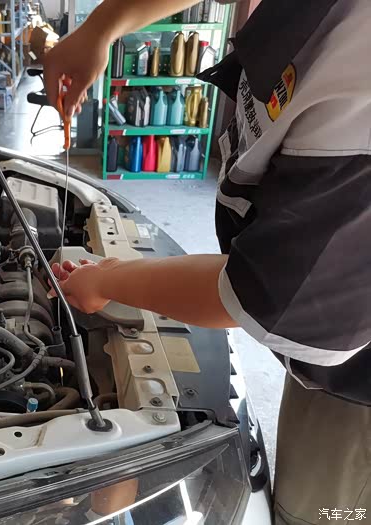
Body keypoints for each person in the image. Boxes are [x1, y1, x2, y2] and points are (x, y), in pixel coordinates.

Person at [43, 0, 371, 523]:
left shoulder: (361, 74)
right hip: (328, 350)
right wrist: (102, 27)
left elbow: (259, 294)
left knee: (322, 511)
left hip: (359, 392)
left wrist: (106, 279)